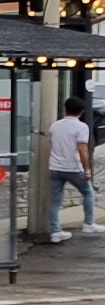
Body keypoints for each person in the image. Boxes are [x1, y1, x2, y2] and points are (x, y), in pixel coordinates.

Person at [48, 96, 105, 243]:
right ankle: (89, 224)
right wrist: (87, 169)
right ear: (81, 111)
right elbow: (82, 150)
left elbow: (51, 143)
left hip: (55, 167)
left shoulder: (55, 126)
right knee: (88, 193)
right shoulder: (81, 127)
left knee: (55, 200)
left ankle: (55, 231)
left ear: (65, 109)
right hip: (73, 168)